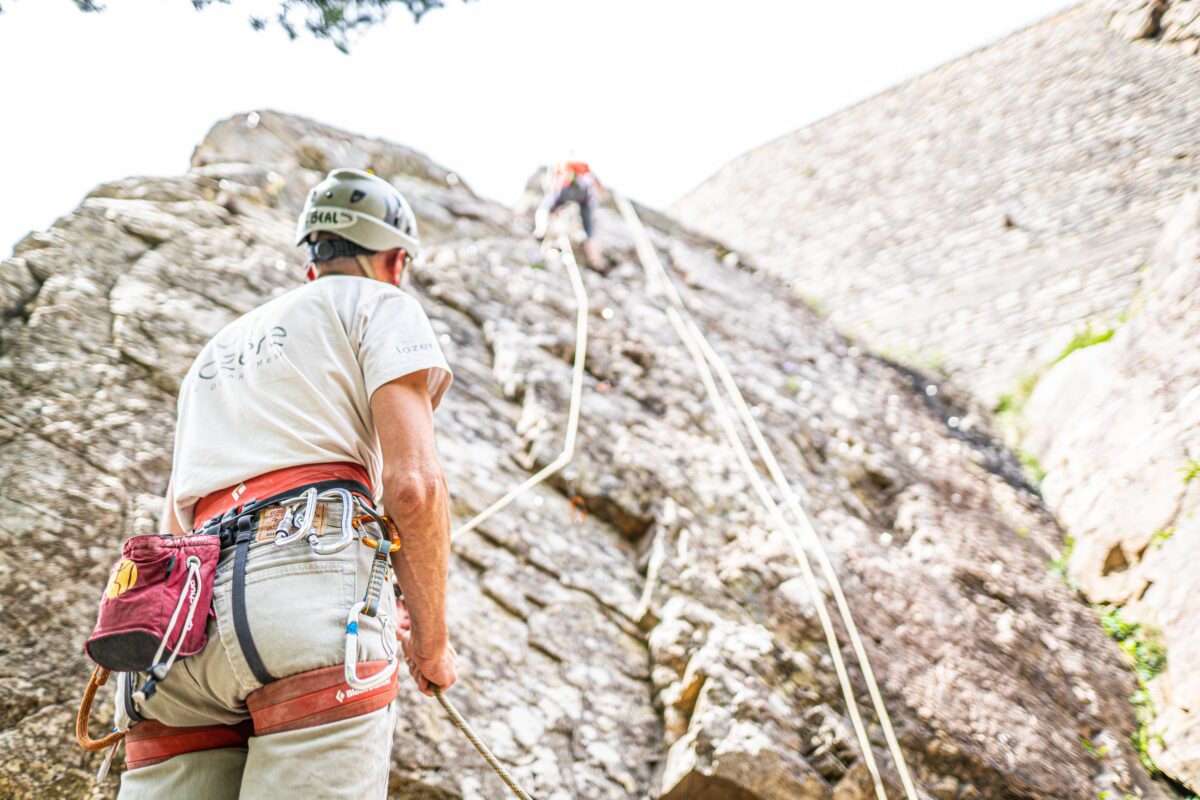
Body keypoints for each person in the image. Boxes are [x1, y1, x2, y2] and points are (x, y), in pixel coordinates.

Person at [115, 168, 457, 799]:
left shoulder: (211, 355)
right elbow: (414, 488)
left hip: (180, 629)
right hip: (307, 596)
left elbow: (176, 521)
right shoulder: (380, 304)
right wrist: (432, 643)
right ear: (395, 260)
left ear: (312, 261)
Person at [533, 155, 604, 267]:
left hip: (565, 190)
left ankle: (540, 229)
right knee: (590, 230)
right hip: (585, 196)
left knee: (543, 208)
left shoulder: (562, 165)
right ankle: (595, 259)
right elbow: (598, 188)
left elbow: (555, 186)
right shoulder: (584, 169)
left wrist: (555, 209)